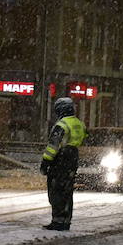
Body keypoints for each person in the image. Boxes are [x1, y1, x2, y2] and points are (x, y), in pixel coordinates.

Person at [40, 96, 86, 231]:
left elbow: (52, 146)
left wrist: (45, 162)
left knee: (56, 190)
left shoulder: (62, 125)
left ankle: (57, 221)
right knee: (67, 191)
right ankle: (66, 220)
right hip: (73, 159)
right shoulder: (79, 123)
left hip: (60, 159)